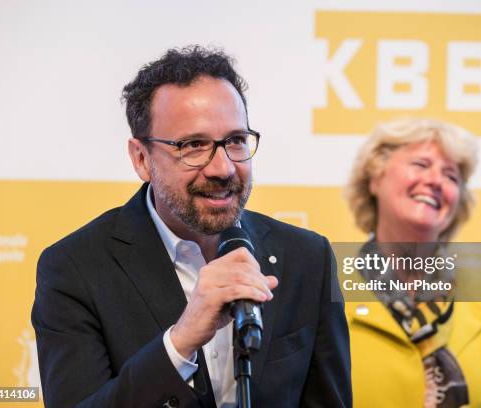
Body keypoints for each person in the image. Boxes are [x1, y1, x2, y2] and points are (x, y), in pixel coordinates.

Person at [32, 46, 351, 408]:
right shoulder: (74, 269)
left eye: (235, 140)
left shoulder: (308, 258)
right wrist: (180, 343)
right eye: (194, 145)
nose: (223, 168)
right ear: (141, 159)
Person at [344, 118, 481, 407]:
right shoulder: (324, 289)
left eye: (450, 176)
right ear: (375, 178)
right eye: (421, 165)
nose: (436, 180)